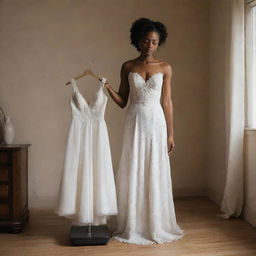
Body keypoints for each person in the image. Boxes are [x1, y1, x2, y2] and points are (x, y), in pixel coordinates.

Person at [103, 17, 184, 245]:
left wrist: (170, 134)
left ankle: (156, 224)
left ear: (159, 43)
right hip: (135, 121)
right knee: (134, 167)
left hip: (156, 123)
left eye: (155, 42)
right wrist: (108, 87)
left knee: (154, 168)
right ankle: (133, 223)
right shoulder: (128, 66)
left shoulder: (165, 67)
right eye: (146, 41)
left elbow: (167, 102)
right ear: (138, 41)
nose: (150, 46)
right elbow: (122, 101)